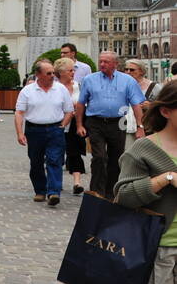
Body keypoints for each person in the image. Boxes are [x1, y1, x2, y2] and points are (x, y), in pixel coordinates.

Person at [114, 82, 177, 284]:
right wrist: (165, 178)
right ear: (166, 111)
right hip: (162, 248)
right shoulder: (144, 148)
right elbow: (124, 196)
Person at [76, 51, 146, 196]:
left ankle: (111, 192)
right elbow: (81, 103)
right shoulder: (89, 79)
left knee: (116, 158)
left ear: (115, 64)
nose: (102, 64)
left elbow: (136, 105)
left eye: (106, 62)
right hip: (95, 122)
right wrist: (79, 125)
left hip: (118, 122)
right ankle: (97, 191)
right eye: (100, 61)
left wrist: (140, 127)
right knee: (99, 157)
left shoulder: (127, 81)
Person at [14, 59, 75, 207]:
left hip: (55, 129)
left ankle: (54, 192)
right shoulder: (27, 91)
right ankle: (40, 190)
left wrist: (62, 125)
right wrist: (20, 133)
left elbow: (69, 110)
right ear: (38, 74)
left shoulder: (60, 89)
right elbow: (19, 113)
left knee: (54, 160)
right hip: (34, 130)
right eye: (48, 73)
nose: (52, 76)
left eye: (53, 73)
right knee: (36, 161)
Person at [54, 60, 86, 194]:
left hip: (75, 124)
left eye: (74, 70)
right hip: (58, 123)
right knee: (56, 154)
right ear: (61, 73)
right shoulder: (54, 87)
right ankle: (56, 182)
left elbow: (84, 103)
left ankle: (77, 183)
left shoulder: (78, 86)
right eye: (70, 71)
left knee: (75, 153)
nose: (73, 73)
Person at [122, 60, 159, 148]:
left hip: (148, 128)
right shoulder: (121, 85)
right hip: (125, 127)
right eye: (126, 69)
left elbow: (165, 105)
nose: (128, 72)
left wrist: (151, 106)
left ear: (141, 71)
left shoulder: (154, 87)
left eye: (132, 70)